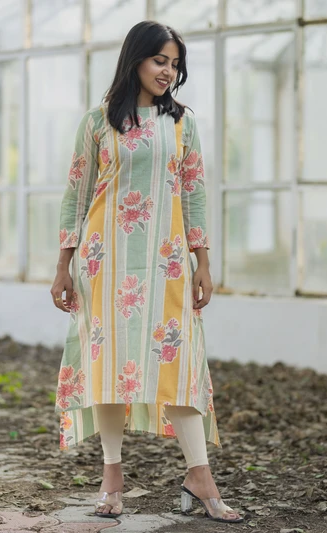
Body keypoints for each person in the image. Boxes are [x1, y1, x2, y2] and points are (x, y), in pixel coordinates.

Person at [50, 20, 243, 524]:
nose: (168, 71)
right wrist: (63, 267)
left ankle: (200, 475)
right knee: (108, 367)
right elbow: (76, 195)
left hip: (167, 262)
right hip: (104, 261)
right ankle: (112, 476)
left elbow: (194, 193)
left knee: (178, 365)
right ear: (135, 59)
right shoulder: (97, 123)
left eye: (175, 64)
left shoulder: (181, 123)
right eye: (160, 60)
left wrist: (203, 262)